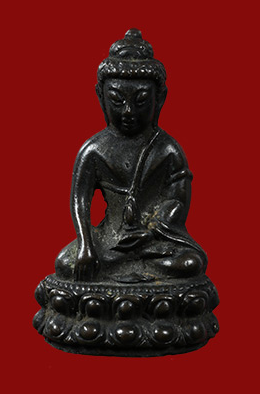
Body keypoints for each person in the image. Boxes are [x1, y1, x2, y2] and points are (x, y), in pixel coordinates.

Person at [55, 29, 207, 283]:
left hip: (152, 242)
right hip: (109, 241)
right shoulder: (94, 149)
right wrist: (86, 245)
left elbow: (178, 200)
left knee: (190, 264)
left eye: (141, 100)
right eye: (116, 100)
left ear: (160, 99)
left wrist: (150, 233)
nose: (128, 111)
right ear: (101, 97)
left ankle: (129, 271)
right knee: (65, 263)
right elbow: (79, 201)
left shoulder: (167, 149)